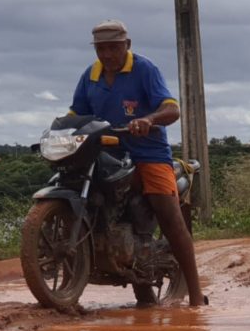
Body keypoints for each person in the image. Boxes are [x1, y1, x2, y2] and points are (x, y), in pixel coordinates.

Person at [68, 19, 206, 307]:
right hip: (106, 154)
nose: (106, 55)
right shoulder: (90, 76)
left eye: (113, 48)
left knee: (168, 214)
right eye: (101, 49)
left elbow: (171, 108)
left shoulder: (145, 69)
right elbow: (76, 113)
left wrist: (148, 120)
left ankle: (195, 293)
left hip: (148, 153)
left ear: (126, 46)